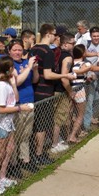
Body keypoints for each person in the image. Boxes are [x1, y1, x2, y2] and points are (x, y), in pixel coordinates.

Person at [0, 55, 33, 194]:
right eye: (13, 67)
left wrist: (13, 84)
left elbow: (15, 98)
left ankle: (2, 176)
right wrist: (21, 108)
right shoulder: (0, 86)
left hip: (8, 122)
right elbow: (1, 109)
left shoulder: (7, 83)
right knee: (0, 153)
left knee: (10, 148)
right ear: (10, 69)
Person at [29, 24, 74, 165]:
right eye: (55, 34)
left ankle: (35, 152)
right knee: (41, 126)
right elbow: (47, 75)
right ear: (48, 34)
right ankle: (39, 153)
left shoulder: (34, 48)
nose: (57, 37)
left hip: (34, 90)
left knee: (36, 124)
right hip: (44, 92)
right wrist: (66, 75)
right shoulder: (47, 51)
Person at [8, 40, 39, 172]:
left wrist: (35, 70)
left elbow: (34, 80)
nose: (17, 52)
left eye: (20, 50)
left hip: (29, 100)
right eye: (14, 50)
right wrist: (29, 67)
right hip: (17, 104)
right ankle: (13, 163)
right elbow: (17, 82)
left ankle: (25, 159)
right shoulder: (9, 65)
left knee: (26, 134)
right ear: (9, 51)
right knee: (16, 135)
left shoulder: (26, 63)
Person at [51, 32, 74, 153]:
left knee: (54, 118)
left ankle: (55, 140)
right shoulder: (67, 57)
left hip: (52, 89)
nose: (74, 45)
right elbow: (64, 78)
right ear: (65, 44)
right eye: (72, 43)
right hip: (61, 91)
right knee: (58, 119)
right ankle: (55, 144)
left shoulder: (55, 52)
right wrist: (70, 92)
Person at [83, 27, 99, 131]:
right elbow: (82, 54)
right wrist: (95, 54)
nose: (96, 38)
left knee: (97, 99)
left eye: (98, 36)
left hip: (98, 77)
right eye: (94, 36)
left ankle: (92, 118)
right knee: (89, 100)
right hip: (88, 77)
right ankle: (86, 125)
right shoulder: (86, 44)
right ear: (91, 36)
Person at [68, 44, 91, 143]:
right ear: (82, 53)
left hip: (73, 89)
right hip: (79, 90)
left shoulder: (72, 62)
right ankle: (72, 136)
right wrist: (88, 68)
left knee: (72, 113)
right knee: (80, 114)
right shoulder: (81, 64)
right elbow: (77, 71)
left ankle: (73, 132)